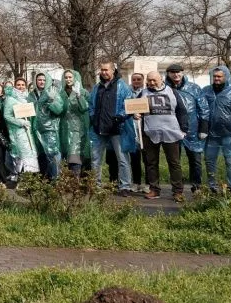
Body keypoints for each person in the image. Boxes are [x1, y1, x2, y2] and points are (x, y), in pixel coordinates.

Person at [138, 71, 189, 201]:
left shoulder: (172, 92)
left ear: (161, 79)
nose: (151, 83)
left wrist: (184, 129)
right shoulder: (143, 93)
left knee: (174, 163)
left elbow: (182, 111)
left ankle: (178, 191)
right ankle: (154, 189)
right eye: (149, 80)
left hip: (170, 132)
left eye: (154, 80)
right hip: (150, 132)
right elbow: (133, 108)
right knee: (151, 162)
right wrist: (134, 114)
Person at [200, 65, 231, 193]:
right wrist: (202, 128)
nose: (216, 79)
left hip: (229, 134)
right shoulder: (205, 91)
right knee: (209, 160)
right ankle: (212, 187)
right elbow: (200, 111)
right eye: (214, 76)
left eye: (219, 76)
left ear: (226, 77)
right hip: (210, 134)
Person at [89, 62, 134, 194]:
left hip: (117, 129)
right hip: (99, 129)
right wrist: (93, 118)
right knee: (96, 159)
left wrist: (120, 117)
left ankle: (125, 185)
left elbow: (128, 104)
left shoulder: (122, 86)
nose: (103, 72)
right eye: (102, 70)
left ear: (113, 71)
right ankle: (95, 185)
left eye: (106, 70)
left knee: (123, 158)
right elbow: (91, 105)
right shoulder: (97, 87)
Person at [165, 63, 208, 193]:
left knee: (195, 160)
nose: (176, 75)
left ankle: (197, 186)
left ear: (182, 73)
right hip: (171, 129)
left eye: (178, 72)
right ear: (168, 74)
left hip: (192, 130)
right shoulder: (164, 88)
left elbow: (204, 108)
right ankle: (177, 188)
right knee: (174, 161)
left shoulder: (194, 88)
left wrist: (203, 128)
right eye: (172, 72)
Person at [3, 78, 41, 183]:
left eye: (23, 84)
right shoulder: (10, 99)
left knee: (30, 153)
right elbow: (7, 116)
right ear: (15, 86)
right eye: (18, 85)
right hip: (18, 131)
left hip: (29, 131)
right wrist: (21, 122)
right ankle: (21, 177)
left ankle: (30, 177)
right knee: (22, 153)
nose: (21, 87)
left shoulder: (28, 97)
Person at [29, 72, 62, 180]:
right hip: (35, 130)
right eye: (39, 80)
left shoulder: (53, 92)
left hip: (49, 129)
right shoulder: (31, 94)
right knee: (40, 156)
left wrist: (52, 101)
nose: (42, 82)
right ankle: (44, 179)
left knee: (52, 155)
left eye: (44, 79)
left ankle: (55, 180)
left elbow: (59, 110)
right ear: (35, 81)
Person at [57, 71, 90, 176]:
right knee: (65, 154)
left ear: (75, 78)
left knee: (74, 154)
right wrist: (53, 101)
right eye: (66, 77)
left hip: (77, 128)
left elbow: (85, 108)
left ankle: (76, 180)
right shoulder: (61, 93)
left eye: (70, 77)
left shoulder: (83, 92)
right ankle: (67, 180)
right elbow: (59, 111)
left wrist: (79, 96)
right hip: (63, 128)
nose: (68, 79)